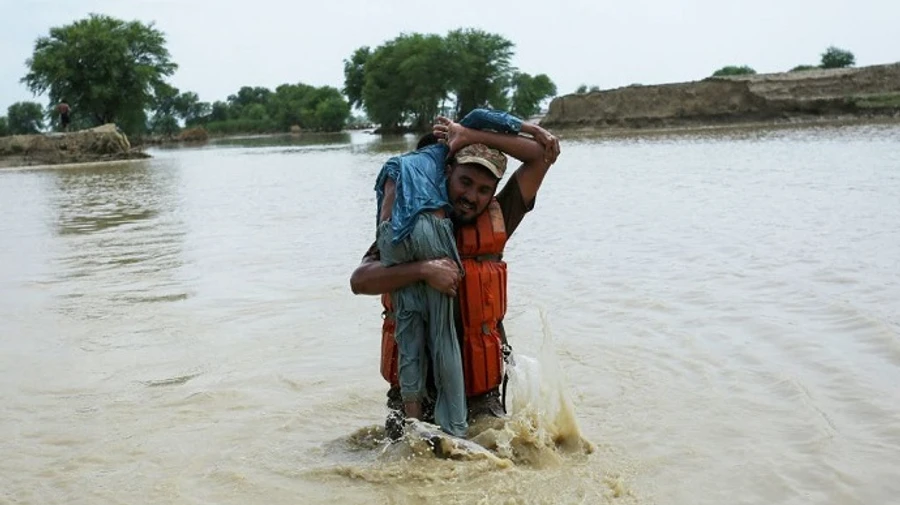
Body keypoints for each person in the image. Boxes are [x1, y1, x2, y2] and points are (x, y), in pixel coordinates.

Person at [351, 112, 560, 438]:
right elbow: (360, 280)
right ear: (446, 171)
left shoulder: (501, 215)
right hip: (413, 393)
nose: (472, 197)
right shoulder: (411, 223)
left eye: (483, 189)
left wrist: (468, 134)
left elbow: (540, 155)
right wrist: (423, 269)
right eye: (465, 182)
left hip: (480, 396)